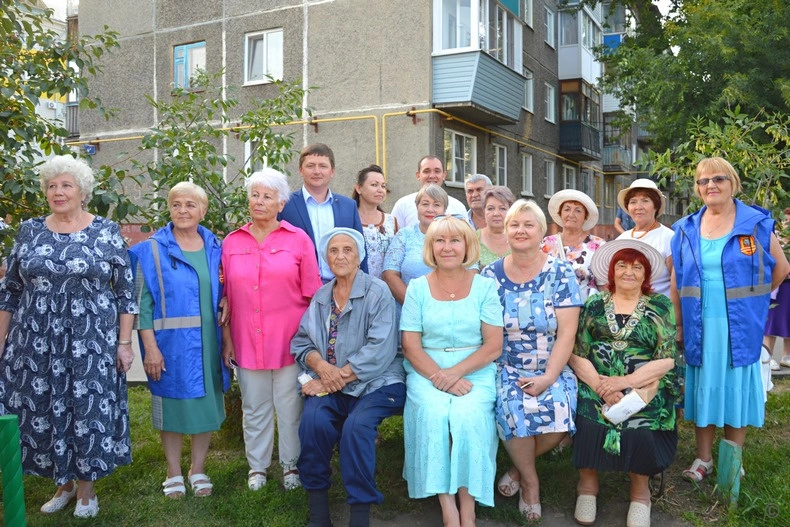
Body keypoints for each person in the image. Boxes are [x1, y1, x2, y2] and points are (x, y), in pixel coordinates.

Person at [0, 155, 138, 518]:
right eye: (51, 185)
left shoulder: (105, 231)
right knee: (45, 407)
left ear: (82, 192)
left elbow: (126, 293)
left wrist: (124, 344)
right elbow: (10, 290)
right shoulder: (29, 231)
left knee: (87, 408)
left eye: (66, 185)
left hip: (90, 340)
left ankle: (87, 490)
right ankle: (63, 483)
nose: (58, 192)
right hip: (35, 341)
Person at [670, 157, 789, 485]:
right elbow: (678, 279)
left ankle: (733, 459)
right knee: (704, 385)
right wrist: (678, 324)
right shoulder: (685, 229)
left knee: (735, 386)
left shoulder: (756, 224)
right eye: (703, 181)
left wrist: (755, 301)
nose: (711, 185)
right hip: (700, 322)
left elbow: (781, 268)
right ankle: (704, 459)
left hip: (738, 323)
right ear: (697, 189)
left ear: (733, 183)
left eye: (718, 179)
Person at [292, 228, 405, 527]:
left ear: (359, 257)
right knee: (313, 422)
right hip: (332, 382)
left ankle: (359, 514)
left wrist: (333, 378)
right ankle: (319, 512)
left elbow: (379, 350)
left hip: (377, 381)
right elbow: (302, 342)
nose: (340, 256)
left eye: (347, 250)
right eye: (334, 250)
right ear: (326, 257)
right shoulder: (321, 297)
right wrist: (322, 368)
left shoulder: (377, 291)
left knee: (356, 427)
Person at [481, 199, 582, 520]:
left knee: (560, 411)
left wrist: (549, 377)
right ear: (506, 230)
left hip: (552, 363)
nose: (521, 230)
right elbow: (487, 333)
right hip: (506, 364)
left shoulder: (560, 272)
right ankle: (530, 482)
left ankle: (517, 468)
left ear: (542, 232)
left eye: (528, 225)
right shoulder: (489, 275)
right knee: (514, 408)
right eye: (514, 225)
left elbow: (567, 333)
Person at [222, 168, 322, 492]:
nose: (259, 201)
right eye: (255, 195)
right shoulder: (232, 242)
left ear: (281, 203)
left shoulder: (298, 240)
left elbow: (313, 295)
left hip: (289, 341)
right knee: (254, 406)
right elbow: (226, 298)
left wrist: (312, 344)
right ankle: (258, 467)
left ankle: (291, 465)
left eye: (267, 196)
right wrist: (227, 340)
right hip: (247, 339)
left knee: (290, 406)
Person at [400, 215, 504, 527]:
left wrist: (454, 374)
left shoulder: (485, 286)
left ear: (467, 246)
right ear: (430, 247)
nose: (447, 247)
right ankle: (448, 508)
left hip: (475, 368)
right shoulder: (417, 288)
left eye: (455, 240)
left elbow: (493, 346)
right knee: (433, 415)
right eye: (440, 241)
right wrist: (440, 378)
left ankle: (468, 509)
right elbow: (410, 346)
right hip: (426, 369)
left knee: (468, 417)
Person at [129, 182, 230, 499]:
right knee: (171, 407)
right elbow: (141, 306)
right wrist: (150, 348)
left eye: (190, 204)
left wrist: (227, 301)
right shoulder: (150, 251)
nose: (183, 210)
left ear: (203, 210)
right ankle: (173, 471)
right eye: (176, 204)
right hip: (169, 345)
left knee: (206, 407)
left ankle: (198, 468)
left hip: (208, 342)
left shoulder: (216, 248)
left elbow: (226, 289)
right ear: (169, 209)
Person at [571, 239, 678, 527]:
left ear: (646, 275)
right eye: (622, 265)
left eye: (636, 267)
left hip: (644, 384)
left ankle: (640, 492)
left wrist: (625, 382)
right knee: (589, 418)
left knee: (641, 425)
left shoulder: (660, 305)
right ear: (611, 271)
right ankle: (587, 485)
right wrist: (600, 386)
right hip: (596, 382)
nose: (628, 272)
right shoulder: (594, 303)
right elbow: (577, 352)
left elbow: (667, 359)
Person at [278, 143, 365, 282]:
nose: (317, 171)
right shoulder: (285, 205)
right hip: (298, 286)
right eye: (310, 166)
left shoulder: (348, 206)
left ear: (332, 171)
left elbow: (360, 251)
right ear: (300, 170)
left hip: (341, 286)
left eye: (323, 166)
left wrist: (362, 286)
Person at [382, 184, 448, 307]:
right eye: (425, 204)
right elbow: (390, 274)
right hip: (408, 308)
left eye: (437, 205)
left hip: (447, 309)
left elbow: (470, 271)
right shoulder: (404, 235)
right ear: (417, 207)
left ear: (444, 210)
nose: (430, 209)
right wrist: (415, 306)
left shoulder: (456, 235)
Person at [541, 189, 606, 300]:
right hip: (549, 307)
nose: (571, 215)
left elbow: (603, 287)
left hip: (584, 308)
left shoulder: (598, 245)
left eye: (578, 211)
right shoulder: (546, 243)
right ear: (560, 213)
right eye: (567, 209)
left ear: (585, 216)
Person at [616, 179, 674, 296]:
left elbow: (677, 283)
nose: (638, 207)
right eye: (633, 202)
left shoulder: (669, 238)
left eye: (645, 201)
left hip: (660, 305)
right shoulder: (621, 239)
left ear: (656, 206)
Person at [390, 155, 467, 229]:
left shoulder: (458, 207)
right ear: (418, 175)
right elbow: (395, 234)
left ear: (444, 175)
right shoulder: (402, 205)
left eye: (437, 171)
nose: (432, 176)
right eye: (426, 171)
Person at [352, 164, 398, 279]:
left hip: (387, 287)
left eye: (383, 186)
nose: (380, 190)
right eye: (374, 185)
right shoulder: (349, 219)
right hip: (356, 285)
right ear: (359, 188)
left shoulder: (391, 221)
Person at [764, 206, 790, 370]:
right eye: (786, 220)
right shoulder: (775, 238)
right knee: (772, 320)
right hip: (778, 285)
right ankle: (768, 355)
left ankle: (787, 355)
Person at [477, 186, 515, 267]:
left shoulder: (519, 238)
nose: (496, 213)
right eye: (490, 209)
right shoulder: (472, 239)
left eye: (502, 208)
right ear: (484, 211)